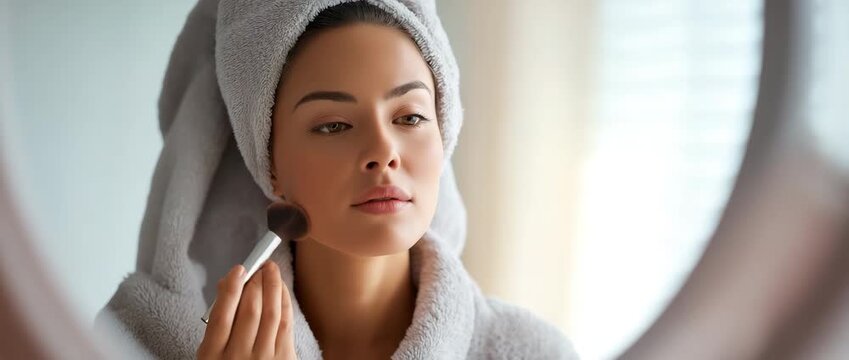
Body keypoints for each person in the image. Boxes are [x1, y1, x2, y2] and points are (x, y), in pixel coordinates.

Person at [97, 1, 579, 359]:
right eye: (333, 125)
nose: (382, 153)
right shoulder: (134, 346)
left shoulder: (535, 353)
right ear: (269, 163)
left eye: (409, 118)